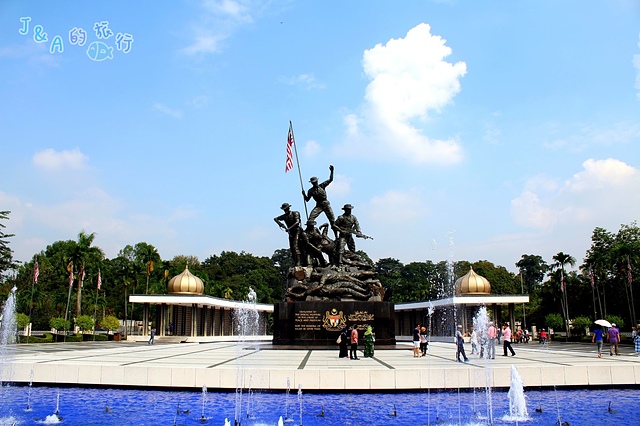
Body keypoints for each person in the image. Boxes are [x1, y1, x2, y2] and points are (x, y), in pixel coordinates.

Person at [302, 165, 336, 232]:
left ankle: (336, 236)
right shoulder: (310, 191)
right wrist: (304, 195)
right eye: (313, 182)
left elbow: (331, 179)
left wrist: (332, 171)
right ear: (311, 183)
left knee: (332, 220)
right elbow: (307, 200)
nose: (315, 183)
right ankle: (309, 232)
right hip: (319, 205)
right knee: (310, 219)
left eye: (315, 182)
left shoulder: (322, 185)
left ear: (317, 181)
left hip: (326, 204)